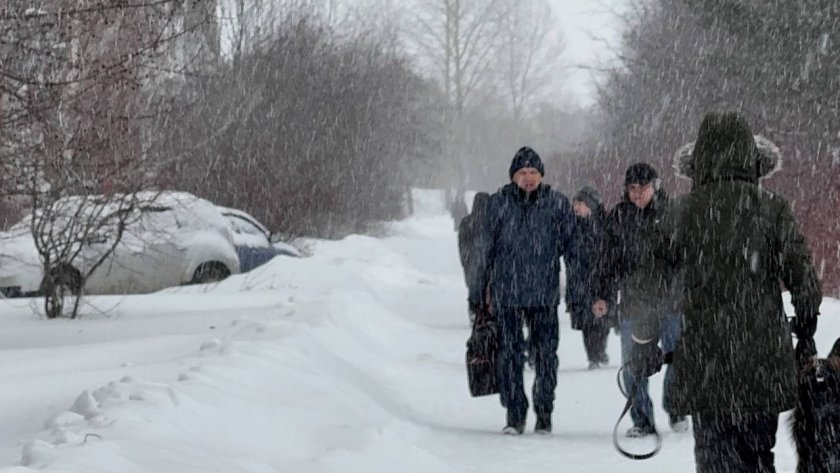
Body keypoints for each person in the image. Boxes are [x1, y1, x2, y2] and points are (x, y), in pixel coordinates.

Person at [632, 112, 822, 472]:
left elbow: (647, 284)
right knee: (758, 455)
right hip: (762, 357)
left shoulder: (681, 212)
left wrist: (643, 341)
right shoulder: (772, 208)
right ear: (752, 158)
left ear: (699, 160)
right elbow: (805, 280)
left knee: (713, 453)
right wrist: (806, 329)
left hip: (705, 358)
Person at [467, 146, 575, 435]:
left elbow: (574, 251)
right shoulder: (498, 205)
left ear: (541, 175)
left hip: (544, 295)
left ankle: (544, 412)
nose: (529, 178)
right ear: (513, 176)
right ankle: (515, 414)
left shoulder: (557, 204)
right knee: (508, 356)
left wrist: (579, 291)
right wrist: (478, 293)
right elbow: (482, 251)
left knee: (545, 357)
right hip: (507, 294)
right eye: (523, 173)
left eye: (533, 172)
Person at [592, 162, 688, 437]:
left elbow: (685, 258)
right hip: (634, 303)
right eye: (632, 188)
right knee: (633, 365)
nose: (637, 194)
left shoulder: (672, 213)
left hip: (671, 301)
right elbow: (606, 262)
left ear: (655, 187)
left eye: (643, 188)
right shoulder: (618, 217)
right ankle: (642, 419)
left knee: (677, 357)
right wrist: (602, 295)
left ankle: (676, 406)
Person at [566, 186, 612, 369]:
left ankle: (599, 352)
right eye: (575, 203)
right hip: (579, 280)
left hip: (599, 279)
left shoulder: (602, 227)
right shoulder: (572, 226)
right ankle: (593, 355)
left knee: (600, 319)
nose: (576, 207)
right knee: (587, 322)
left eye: (581, 203)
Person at [458, 192, 491, 322]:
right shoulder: (493, 221)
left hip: (472, 263)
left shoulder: (467, 221)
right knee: (488, 288)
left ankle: (475, 312)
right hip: (486, 263)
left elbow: (462, 244)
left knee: (475, 289)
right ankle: (486, 312)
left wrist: (465, 260)